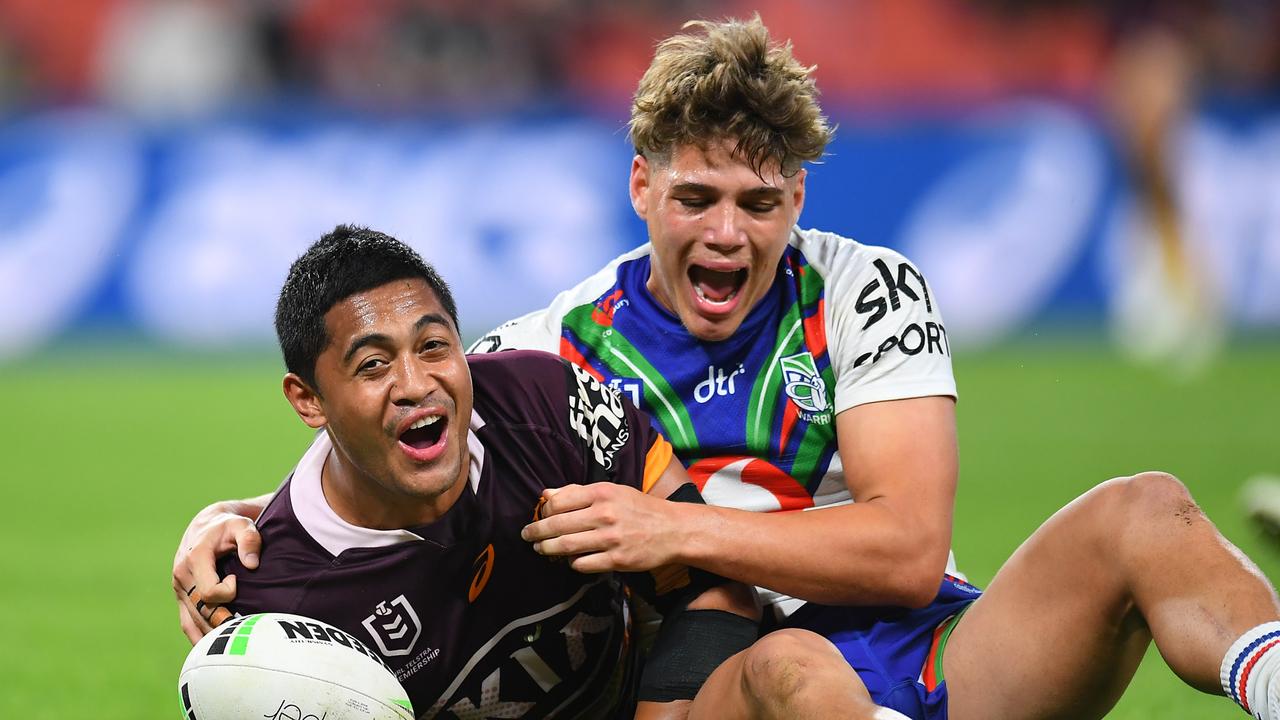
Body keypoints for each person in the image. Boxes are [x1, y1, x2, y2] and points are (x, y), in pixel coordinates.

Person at [176, 17, 1280, 720]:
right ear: (640, 191)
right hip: (736, 686)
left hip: (932, 644)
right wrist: (232, 521)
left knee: (1146, 511)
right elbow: (398, 423)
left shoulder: (864, 287)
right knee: (795, 680)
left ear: (795, 201)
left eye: (759, 203)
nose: (726, 236)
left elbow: (903, 552)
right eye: (694, 198)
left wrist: (679, 528)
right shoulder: (559, 344)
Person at [184, 224, 889, 720]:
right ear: (307, 399)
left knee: (794, 666)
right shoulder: (271, 598)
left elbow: (710, 592)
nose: (416, 384)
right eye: (372, 365)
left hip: (655, 703)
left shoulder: (549, 406)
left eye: (434, 346)